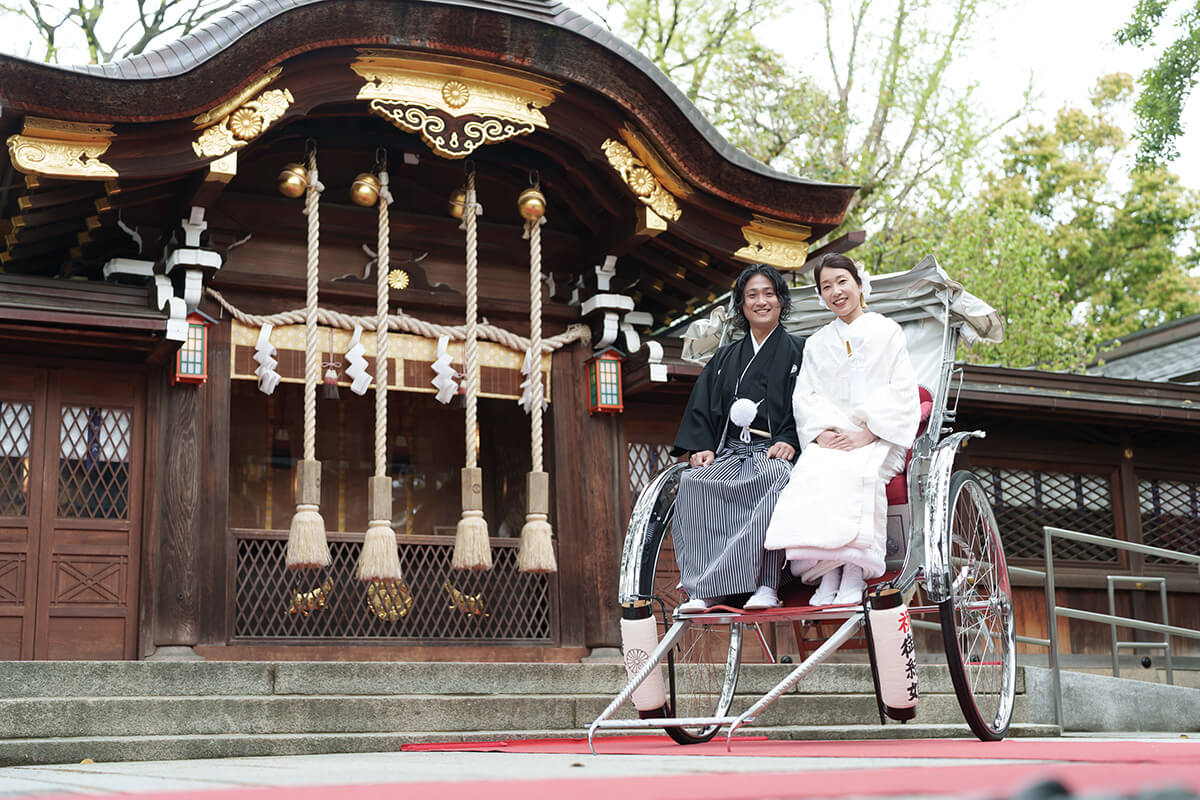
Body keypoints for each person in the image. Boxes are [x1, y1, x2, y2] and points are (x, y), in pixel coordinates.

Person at [764, 254, 920, 606]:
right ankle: (828, 572)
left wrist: (869, 432)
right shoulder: (818, 342)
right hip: (831, 435)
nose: (835, 291)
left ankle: (851, 573)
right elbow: (806, 395)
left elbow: (902, 389)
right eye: (826, 287)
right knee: (812, 471)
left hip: (878, 435)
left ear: (859, 283)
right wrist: (820, 433)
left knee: (853, 473)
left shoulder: (886, 331)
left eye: (841, 281)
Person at [670, 264, 805, 613]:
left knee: (775, 479)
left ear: (781, 300)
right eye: (752, 295)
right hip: (731, 450)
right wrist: (702, 447)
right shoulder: (726, 356)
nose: (761, 301)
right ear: (741, 305)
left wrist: (791, 438)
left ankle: (766, 583)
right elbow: (704, 406)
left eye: (769, 294)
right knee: (694, 482)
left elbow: (813, 402)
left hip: (774, 451)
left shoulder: (801, 351)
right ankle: (706, 587)